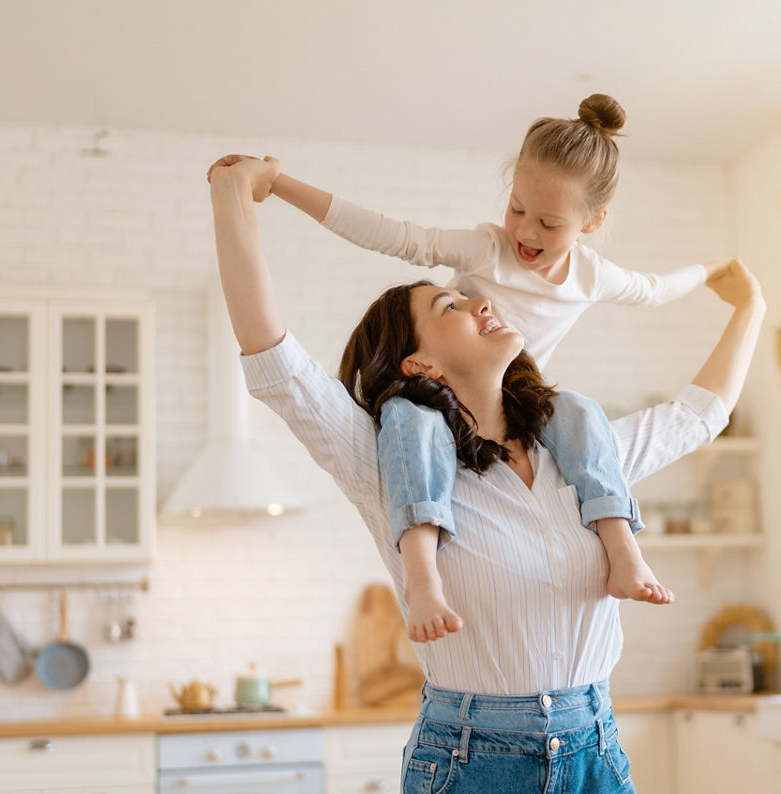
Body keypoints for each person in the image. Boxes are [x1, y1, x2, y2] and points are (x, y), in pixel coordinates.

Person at [207, 151, 765, 794]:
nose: (480, 299)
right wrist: (236, 192)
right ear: (421, 365)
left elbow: (696, 417)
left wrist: (753, 307)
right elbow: (274, 362)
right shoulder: (390, 462)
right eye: (450, 307)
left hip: (598, 773)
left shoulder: (581, 455)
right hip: (467, 782)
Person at [207, 94, 722, 644]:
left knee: (577, 409)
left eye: (548, 222)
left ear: (592, 222)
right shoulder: (487, 251)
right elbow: (390, 233)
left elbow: (658, 292)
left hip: (519, 400)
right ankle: (422, 577)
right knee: (411, 421)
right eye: (517, 208)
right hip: (445, 403)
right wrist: (276, 185)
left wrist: (713, 272)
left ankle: (624, 550)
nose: (525, 231)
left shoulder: (592, 279)